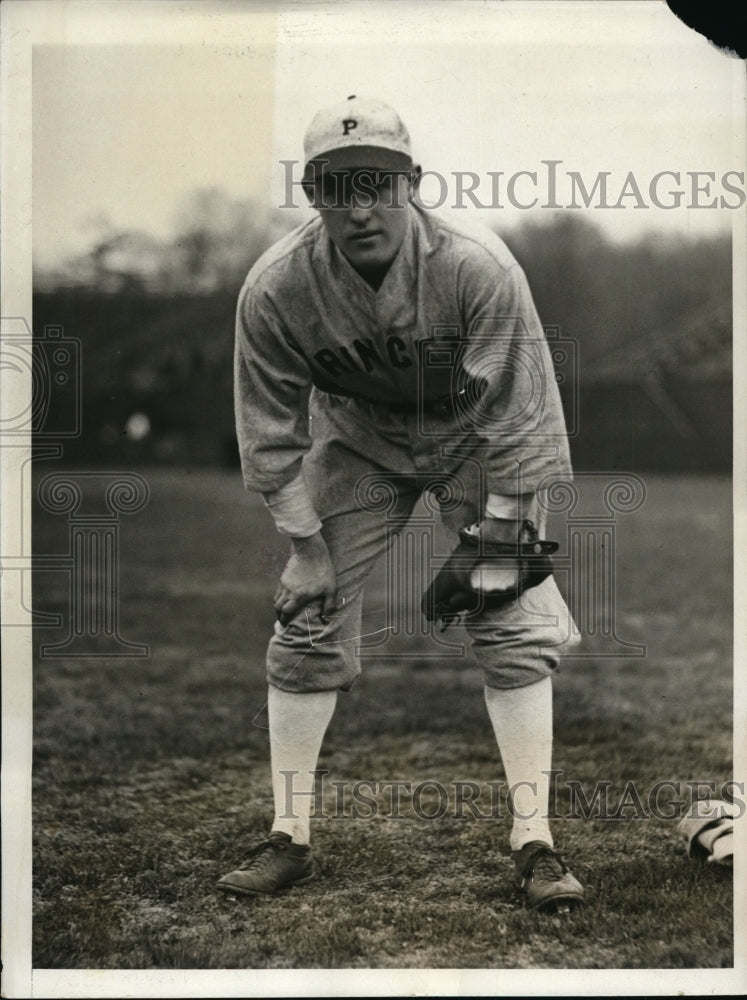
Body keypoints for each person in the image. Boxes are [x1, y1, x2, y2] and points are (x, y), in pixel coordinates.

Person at [217, 96, 585, 911]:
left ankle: (535, 843)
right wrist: (305, 549)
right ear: (312, 194)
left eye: (376, 184)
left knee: (509, 614)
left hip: (471, 437)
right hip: (357, 440)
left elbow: (521, 415)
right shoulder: (277, 287)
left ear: (411, 184)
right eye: (335, 186)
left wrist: (493, 540)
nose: (358, 207)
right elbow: (269, 432)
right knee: (305, 616)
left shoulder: (473, 264)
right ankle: (289, 834)